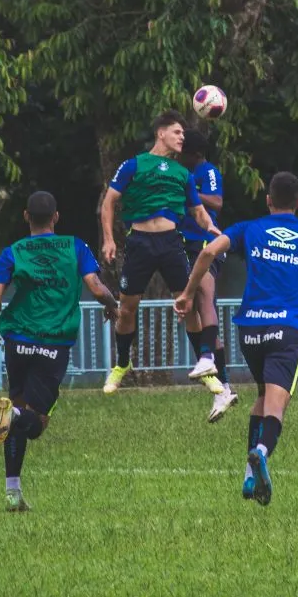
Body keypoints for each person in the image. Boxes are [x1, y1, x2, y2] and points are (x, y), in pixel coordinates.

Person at [174, 172, 298, 506]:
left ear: (268, 201)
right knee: (277, 404)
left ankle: (248, 479)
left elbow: (207, 253)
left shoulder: (249, 228)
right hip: (288, 330)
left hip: (251, 330)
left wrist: (188, 293)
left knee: (261, 395)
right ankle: (259, 453)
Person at [0, 191, 119, 512]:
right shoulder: (75, 246)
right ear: (56, 217)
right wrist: (112, 304)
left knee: (17, 414)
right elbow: (95, 286)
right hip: (52, 342)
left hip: (16, 338)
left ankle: (13, 492)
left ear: (25, 217)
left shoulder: (13, 251)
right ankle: (14, 414)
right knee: (36, 423)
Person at [99, 110, 222, 395]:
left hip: (170, 244)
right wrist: (108, 239)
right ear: (161, 133)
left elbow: (200, 213)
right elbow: (109, 202)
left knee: (187, 304)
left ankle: (204, 367)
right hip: (140, 243)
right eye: (177, 132)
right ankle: (121, 364)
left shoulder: (183, 174)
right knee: (127, 309)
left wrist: (212, 229)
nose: (182, 137)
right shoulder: (133, 165)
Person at [177, 129, 239, 423]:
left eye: (182, 152)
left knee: (204, 299)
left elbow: (216, 202)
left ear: (195, 154)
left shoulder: (206, 170)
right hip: (184, 246)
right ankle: (223, 386)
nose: (178, 156)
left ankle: (206, 358)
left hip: (207, 242)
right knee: (188, 308)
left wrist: (189, 191)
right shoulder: (182, 172)